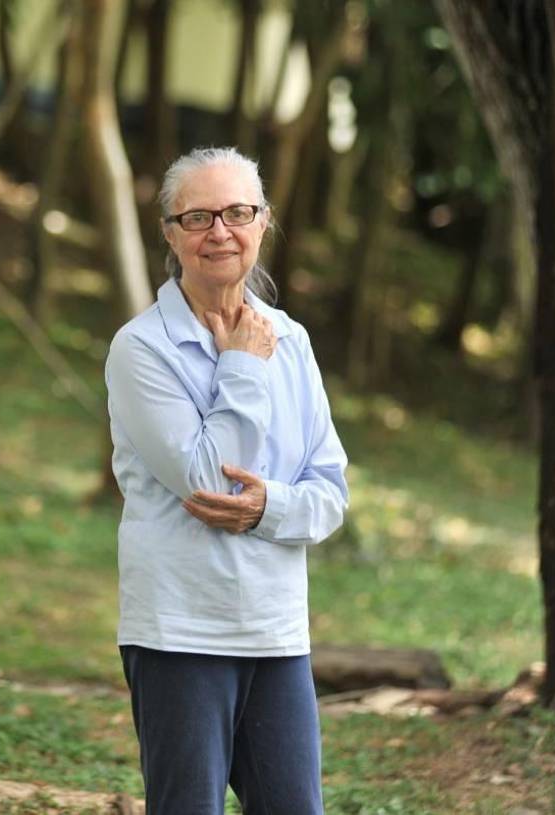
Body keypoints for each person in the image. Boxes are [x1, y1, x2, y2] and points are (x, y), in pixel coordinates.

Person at [104, 146, 349, 815]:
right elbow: (208, 478)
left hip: (275, 631)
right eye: (199, 216)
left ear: (263, 221)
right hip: (179, 631)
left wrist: (268, 505)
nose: (220, 231)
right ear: (170, 232)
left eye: (238, 212)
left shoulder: (292, 341)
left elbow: (330, 491)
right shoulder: (141, 349)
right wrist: (241, 366)